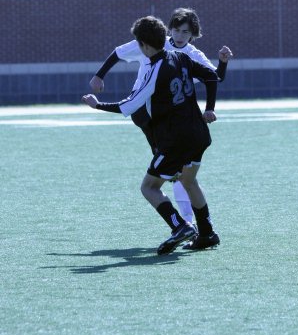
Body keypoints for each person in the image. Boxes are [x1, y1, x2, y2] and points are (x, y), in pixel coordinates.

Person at [83, 15, 220, 254]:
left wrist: (98, 105)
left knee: (149, 187)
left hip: (176, 139)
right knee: (189, 180)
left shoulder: (154, 70)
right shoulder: (181, 56)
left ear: (144, 46)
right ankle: (207, 233)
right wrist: (209, 107)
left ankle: (180, 226)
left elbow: (130, 105)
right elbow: (212, 76)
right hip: (199, 133)